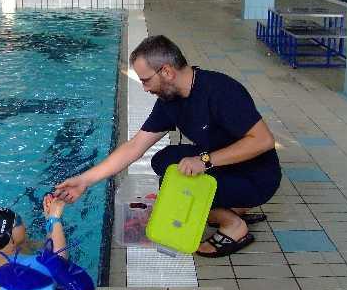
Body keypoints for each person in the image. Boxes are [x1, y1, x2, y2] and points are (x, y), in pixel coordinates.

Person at [55, 35, 282, 258]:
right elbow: (135, 147)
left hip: (256, 176)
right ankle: (229, 206)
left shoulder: (222, 91)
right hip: (222, 165)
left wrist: (204, 161)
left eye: (145, 80)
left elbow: (263, 140)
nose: (144, 88)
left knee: (172, 186)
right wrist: (85, 180)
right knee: (164, 160)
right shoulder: (170, 100)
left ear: (166, 71)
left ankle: (234, 225)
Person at [0, 194, 66, 268]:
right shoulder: (14, 267)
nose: (23, 222)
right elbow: (60, 263)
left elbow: (47, 248)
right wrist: (54, 218)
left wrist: (49, 219)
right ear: (9, 236)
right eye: (18, 221)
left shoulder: (13, 247)